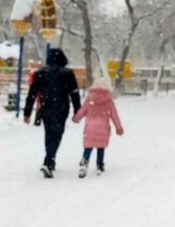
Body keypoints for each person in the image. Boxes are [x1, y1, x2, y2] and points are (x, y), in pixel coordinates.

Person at [24, 48, 81, 178]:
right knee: (57, 134)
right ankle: (48, 161)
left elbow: (32, 94)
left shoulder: (40, 73)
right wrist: (77, 110)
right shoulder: (67, 73)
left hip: (46, 107)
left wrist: (27, 112)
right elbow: (74, 92)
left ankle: (50, 159)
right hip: (61, 107)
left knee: (49, 133)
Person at [72, 77, 123, 178]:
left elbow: (82, 111)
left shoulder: (90, 98)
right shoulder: (109, 100)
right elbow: (114, 115)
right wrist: (119, 127)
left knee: (88, 147)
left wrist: (76, 118)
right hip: (103, 128)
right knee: (101, 147)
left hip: (90, 127)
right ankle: (99, 165)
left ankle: (84, 161)